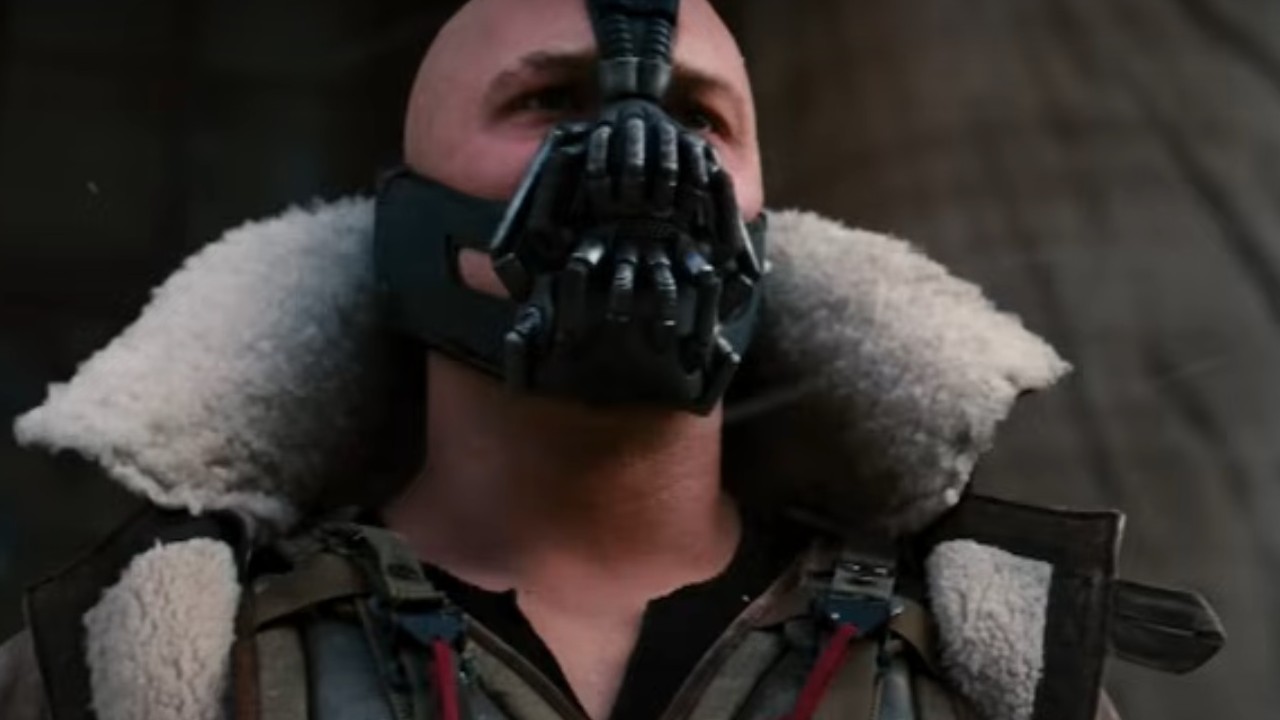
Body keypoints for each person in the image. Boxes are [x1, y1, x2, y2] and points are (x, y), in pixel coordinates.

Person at [0, 1, 1221, 719]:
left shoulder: (978, 676)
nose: (637, 154)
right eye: (551, 98)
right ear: (403, 223)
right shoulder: (158, 675)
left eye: (696, 117)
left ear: (769, 226)